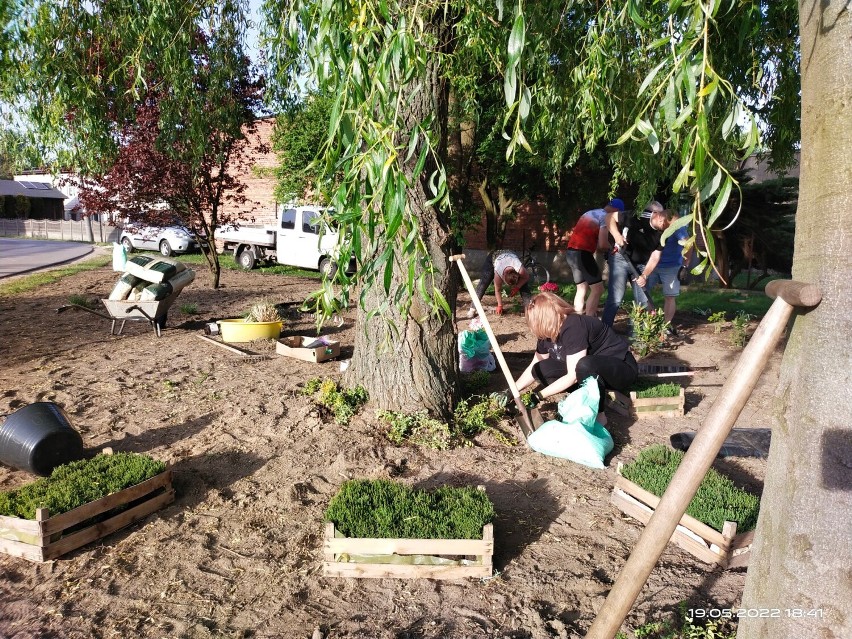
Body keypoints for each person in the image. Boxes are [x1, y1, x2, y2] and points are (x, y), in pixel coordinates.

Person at [514, 292, 638, 425]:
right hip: (591, 373)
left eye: (536, 321)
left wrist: (539, 396)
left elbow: (573, 375)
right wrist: (511, 391)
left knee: (584, 365)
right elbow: (536, 361)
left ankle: (599, 416)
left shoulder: (573, 326)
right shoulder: (546, 334)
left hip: (620, 370)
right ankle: (588, 397)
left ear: (545, 318)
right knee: (540, 369)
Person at [601, 203, 674, 327]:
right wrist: (617, 236)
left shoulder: (665, 234)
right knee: (617, 296)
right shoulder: (638, 216)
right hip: (621, 258)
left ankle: (637, 336)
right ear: (660, 219)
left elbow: (656, 255)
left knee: (642, 300)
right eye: (666, 227)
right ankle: (604, 331)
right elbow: (609, 217)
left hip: (641, 264)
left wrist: (644, 275)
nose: (666, 231)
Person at [565, 198, 625, 316]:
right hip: (582, 254)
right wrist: (614, 248)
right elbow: (603, 244)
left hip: (571, 253)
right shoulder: (605, 218)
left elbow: (596, 243)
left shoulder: (591, 213)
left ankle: (577, 320)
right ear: (616, 211)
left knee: (582, 288)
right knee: (598, 289)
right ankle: (590, 321)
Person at [645, 220, 693, 336]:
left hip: (671, 266)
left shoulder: (677, 228)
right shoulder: (651, 224)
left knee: (670, 296)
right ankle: (651, 320)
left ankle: (666, 326)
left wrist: (685, 265)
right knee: (644, 292)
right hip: (652, 264)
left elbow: (689, 244)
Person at [466, 249, 532, 318]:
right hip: (493, 258)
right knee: (484, 282)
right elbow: (497, 290)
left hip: (510, 255)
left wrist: (517, 287)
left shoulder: (519, 269)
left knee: (524, 285)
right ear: (503, 276)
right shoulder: (498, 273)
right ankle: (472, 309)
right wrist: (499, 305)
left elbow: (526, 277)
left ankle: (531, 310)